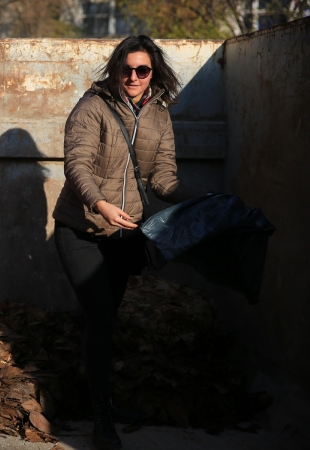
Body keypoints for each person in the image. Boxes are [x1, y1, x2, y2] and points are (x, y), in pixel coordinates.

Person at [52, 36, 203, 450]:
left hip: (124, 235)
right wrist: (99, 203)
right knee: (100, 317)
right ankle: (102, 419)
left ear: (154, 73)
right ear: (115, 67)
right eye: (127, 68)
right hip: (80, 230)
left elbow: (163, 177)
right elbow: (76, 164)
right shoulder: (92, 107)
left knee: (106, 320)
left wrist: (201, 199)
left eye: (143, 70)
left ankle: (101, 399)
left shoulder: (159, 114)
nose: (133, 77)